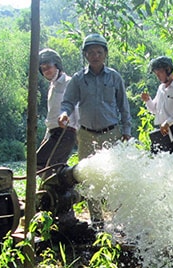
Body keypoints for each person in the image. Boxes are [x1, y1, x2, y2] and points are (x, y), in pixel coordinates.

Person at [58, 33, 132, 226]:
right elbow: (68, 102)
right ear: (85, 55)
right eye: (91, 52)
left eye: (99, 52)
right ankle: (97, 222)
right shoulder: (78, 79)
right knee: (89, 178)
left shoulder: (114, 77)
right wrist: (64, 114)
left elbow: (123, 105)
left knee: (115, 176)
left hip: (111, 132)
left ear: (105, 54)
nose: (95, 55)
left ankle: (119, 220)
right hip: (86, 134)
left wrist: (127, 130)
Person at [37, 48, 79, 177]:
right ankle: (49, 194)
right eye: (43, 69)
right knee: (40, 165)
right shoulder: (52, 86)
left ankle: (59, 194)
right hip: (53, 132)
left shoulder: (69, 82)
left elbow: (77, 108)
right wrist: (46, 137)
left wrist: (78, 134)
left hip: (66, 132)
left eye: (48, 67)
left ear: (57, 66)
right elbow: (52, 115)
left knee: (51, 167)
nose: (46, 71)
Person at [141, 56, 173, 159]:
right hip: (161, 132)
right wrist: (148, 100)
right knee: (156, 165)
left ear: (168, 70)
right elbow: (155, 109)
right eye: (156, 74)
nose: (158, 76)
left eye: (159, 73)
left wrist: (168, 122)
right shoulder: (161, 88)